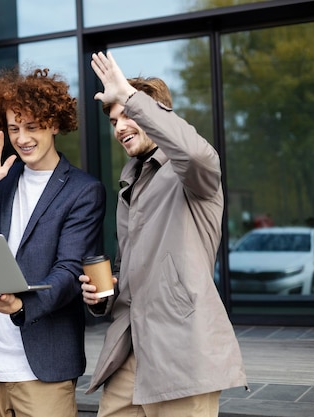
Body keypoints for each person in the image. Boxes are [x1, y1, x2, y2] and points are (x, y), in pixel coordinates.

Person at [80, 51, 247, 416]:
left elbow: (192, 152)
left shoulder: (192, 173)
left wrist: (129, 95)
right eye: (114, 120)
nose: (120, 125)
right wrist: (103, 294)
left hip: (182, 351)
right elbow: (133, 269)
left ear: (156, 116)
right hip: (131, 352)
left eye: (127, 114)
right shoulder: (131, 183)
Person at [0, 66, 107, 417]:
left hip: (44, 368)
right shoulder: (0, 181)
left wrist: (20, 306)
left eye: (32, 126)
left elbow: (68, 272)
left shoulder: (84, 190)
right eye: (14, 128)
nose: (22, 138)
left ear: (53, 123)